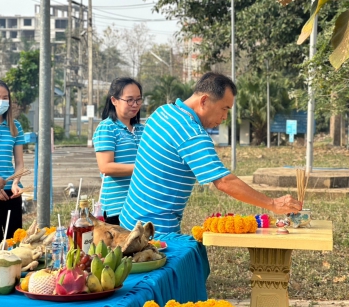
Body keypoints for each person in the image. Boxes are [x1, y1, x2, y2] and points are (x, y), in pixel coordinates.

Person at [120, 72, 302, 234]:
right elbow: (223, 181)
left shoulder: (162, 112)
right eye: (224, 109)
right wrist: (272, 204)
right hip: (152, 232)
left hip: (128, 219)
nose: (224, 118)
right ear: (204, 100)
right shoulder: (192, 133)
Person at [92, 77, 144, 225]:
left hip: (140, 206)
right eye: (129, 100)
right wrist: (142, 169)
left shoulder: (142, 130)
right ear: (114, 100)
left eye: (138, 100)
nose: (135, 105)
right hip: (116, 208)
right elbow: (106, 167)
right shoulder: (107, 128)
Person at [0, 79, 25, 245]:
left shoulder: (15, 126)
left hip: (11, 194)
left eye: (5, 97)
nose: (1, 101)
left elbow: (20, 163)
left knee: (14, 246)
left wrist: (16, 182)